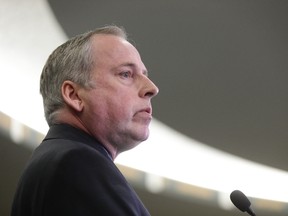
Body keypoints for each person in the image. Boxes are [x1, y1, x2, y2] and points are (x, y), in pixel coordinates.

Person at [11, 25, 159, 216]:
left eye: (144, 75)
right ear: (74, 96)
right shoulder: (75, 163)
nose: (152, 88)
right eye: (126, 74)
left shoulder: (59, 159)